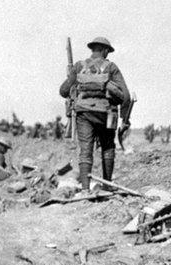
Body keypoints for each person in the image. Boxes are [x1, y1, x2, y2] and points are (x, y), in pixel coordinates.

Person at [58, 36, 130, 190]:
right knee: (108, 147)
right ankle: (107, 186)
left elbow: (63, 91)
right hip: (106, 114)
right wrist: (125, 119)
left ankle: (85, 189)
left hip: (84, 113)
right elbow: (126, 96)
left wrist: (72, 83)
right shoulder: (111, 67)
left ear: (92, 50)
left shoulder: (79, 66)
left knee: (85, 150)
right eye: (107, 52)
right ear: (104, 51)